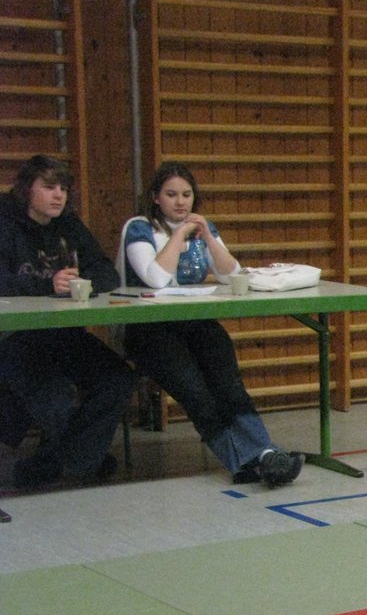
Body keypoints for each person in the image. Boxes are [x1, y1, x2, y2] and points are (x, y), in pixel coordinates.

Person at [119, 162, 302, 486]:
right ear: (156, 198)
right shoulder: (139, 228)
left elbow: (232, 275)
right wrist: (178, 235)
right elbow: (155, 278)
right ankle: (249, 459)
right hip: (149, 328)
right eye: (171, 194)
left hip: (194, 322)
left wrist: (209, 238)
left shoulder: (202, 227)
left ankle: (263, 454)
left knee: (229, 385)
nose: (180, 202)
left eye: (186, 194)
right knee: (197, 393)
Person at [0, 155, 134, 489]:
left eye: (63, 188)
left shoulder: (69, 224)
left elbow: (106, 272)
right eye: (49, 187)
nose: (58, 195)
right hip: (14, 337)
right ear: (27, 189)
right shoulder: (5, 221)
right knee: (55, 396)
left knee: (118, 378)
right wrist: (47, 285)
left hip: (63, 334)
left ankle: (54, 463)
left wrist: (81, 282)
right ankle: (87, 458)